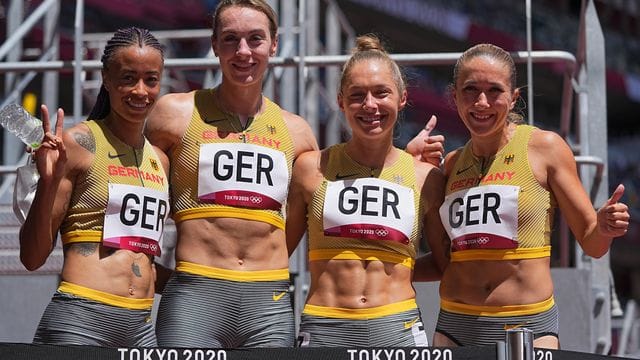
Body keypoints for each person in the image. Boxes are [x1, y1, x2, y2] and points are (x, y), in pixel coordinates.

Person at [147, 0, 444, 348]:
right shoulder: (173, 114)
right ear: (214, 44)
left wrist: (405, 162)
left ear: (273, 44)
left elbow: (356, 191)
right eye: (230, 39)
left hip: (267, 306)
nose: (243, 51)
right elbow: (132, 190)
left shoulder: (298, 134)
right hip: (196, 296)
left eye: (255, 39)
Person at [432, 43, 630, 348]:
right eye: (470, 90)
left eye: (494, 91)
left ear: (513, 98)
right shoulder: (451, 164)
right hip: (455, 326)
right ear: (454, 96)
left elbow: (592, 243)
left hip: (528, 326)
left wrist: (603, 228)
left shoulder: (545, 148)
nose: (481, 102)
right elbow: (443, 255)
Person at [285, 34, 448, 347]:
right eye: (357, 95)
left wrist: (398, 270)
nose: (370, 105)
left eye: (381, 93)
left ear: (402, 98)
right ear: (340, 101)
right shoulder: (311, 168)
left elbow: (446, 265)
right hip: (323, 327)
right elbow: (278, 254)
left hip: (396, 327)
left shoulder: (426, 177)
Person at [18, 27, 169, 346]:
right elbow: (32, 258)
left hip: (142, 329)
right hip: (81, 323)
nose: (140, 91)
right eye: (128, 77)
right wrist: (48, 182)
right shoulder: (78, 144)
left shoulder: (159, 159)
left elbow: (139, 256)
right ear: (105, 78)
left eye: (151, 79)